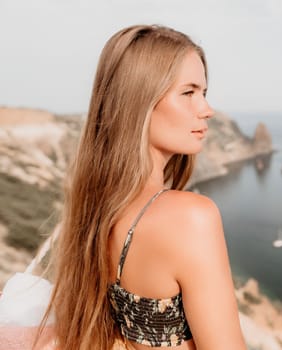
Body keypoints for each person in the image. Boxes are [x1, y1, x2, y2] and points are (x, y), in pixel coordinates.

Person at [36, 24, 247, 350]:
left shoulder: (96, 209)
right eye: (188, 93)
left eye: (204, 93)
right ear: (140, 102)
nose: (207, 109)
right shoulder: (192, 217)